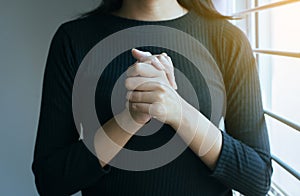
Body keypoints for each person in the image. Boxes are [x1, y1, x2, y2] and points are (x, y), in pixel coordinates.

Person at [32, 0, 272, 195]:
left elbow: (258, 178)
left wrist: (178, 111)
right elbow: (50, 181)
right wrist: (130, 118)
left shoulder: (227, 40)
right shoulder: (73, 39)